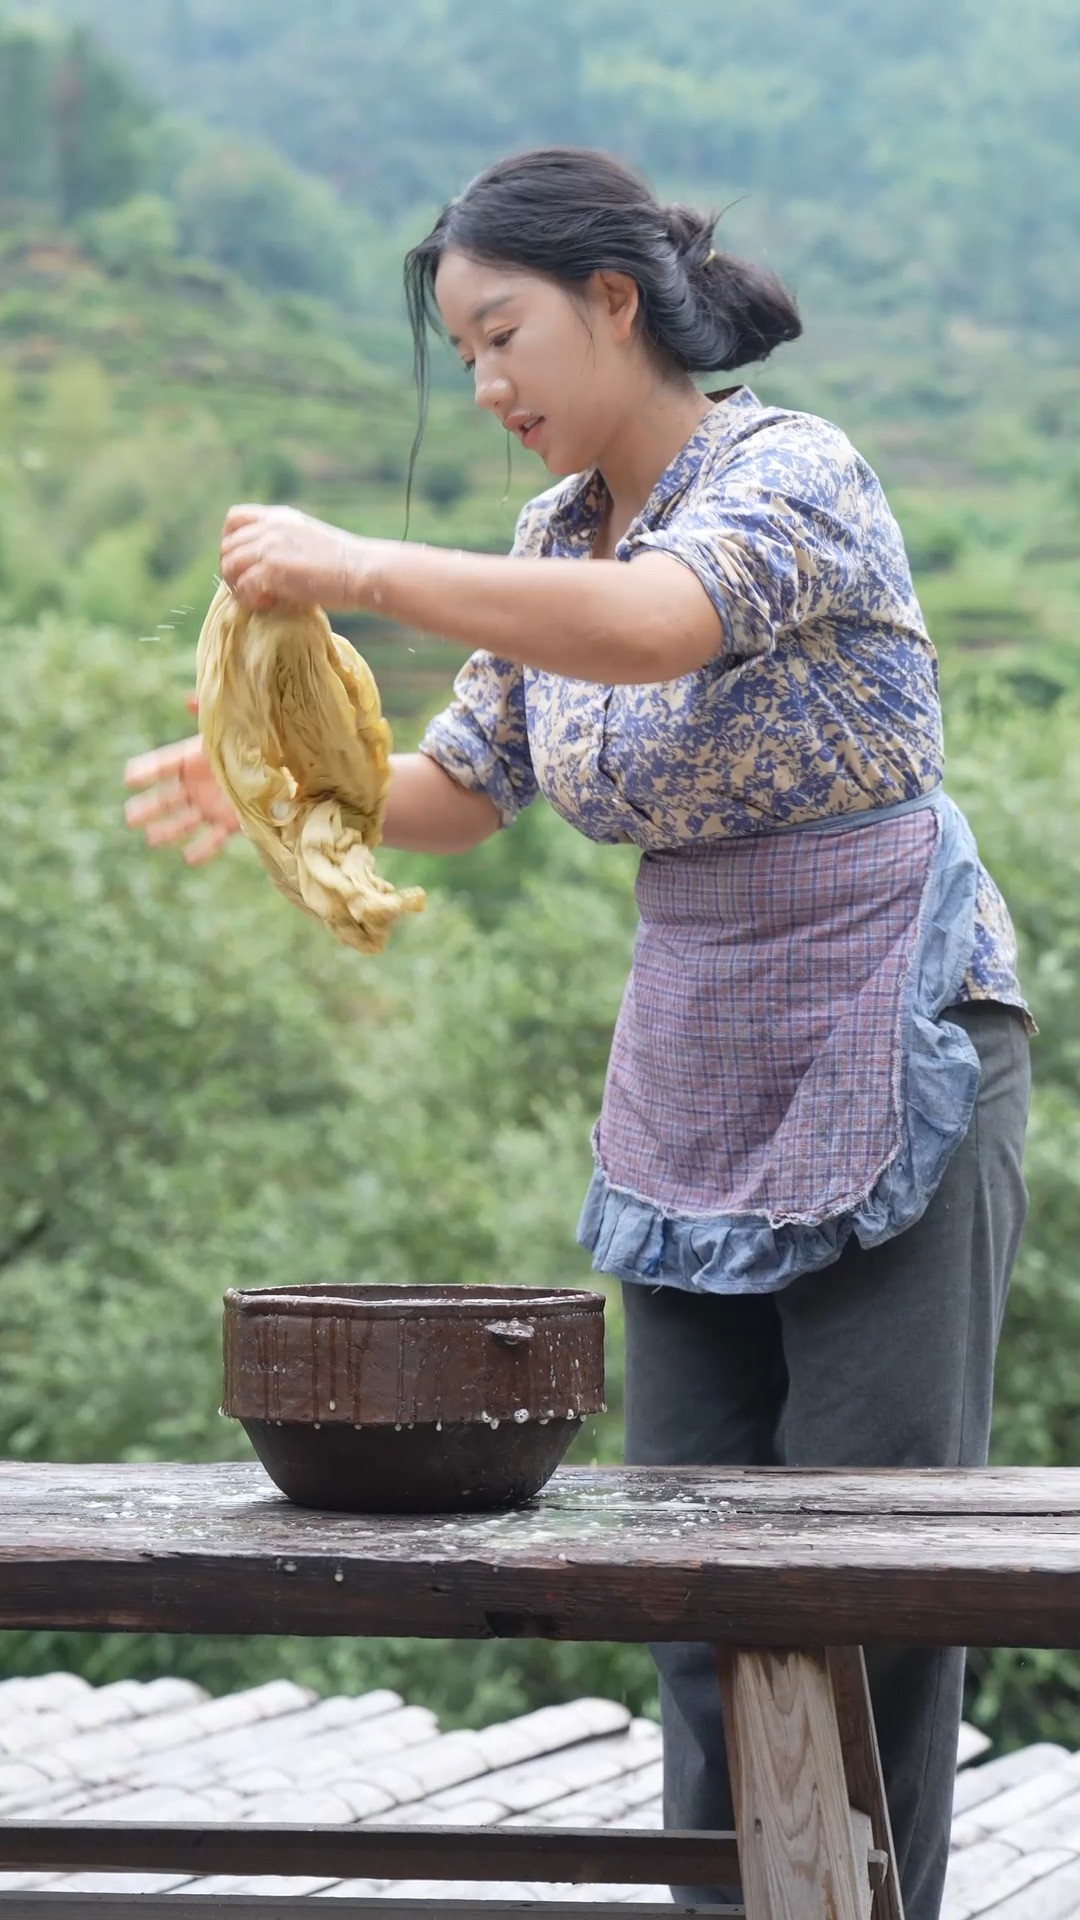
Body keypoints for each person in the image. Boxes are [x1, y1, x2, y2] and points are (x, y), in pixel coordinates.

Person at [124, 146, 1031, 1919]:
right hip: (696, 1066)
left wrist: (364, 562)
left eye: (504, 334)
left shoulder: (791, 474)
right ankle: (726, 1904)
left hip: (887, 1031)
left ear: (616, 302)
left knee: (873, 1568)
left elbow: (654, 627)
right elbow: (464, 789)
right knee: (687, 1565)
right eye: (464, 353)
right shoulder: (552, 539)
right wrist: (276, 784)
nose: (488, 387)